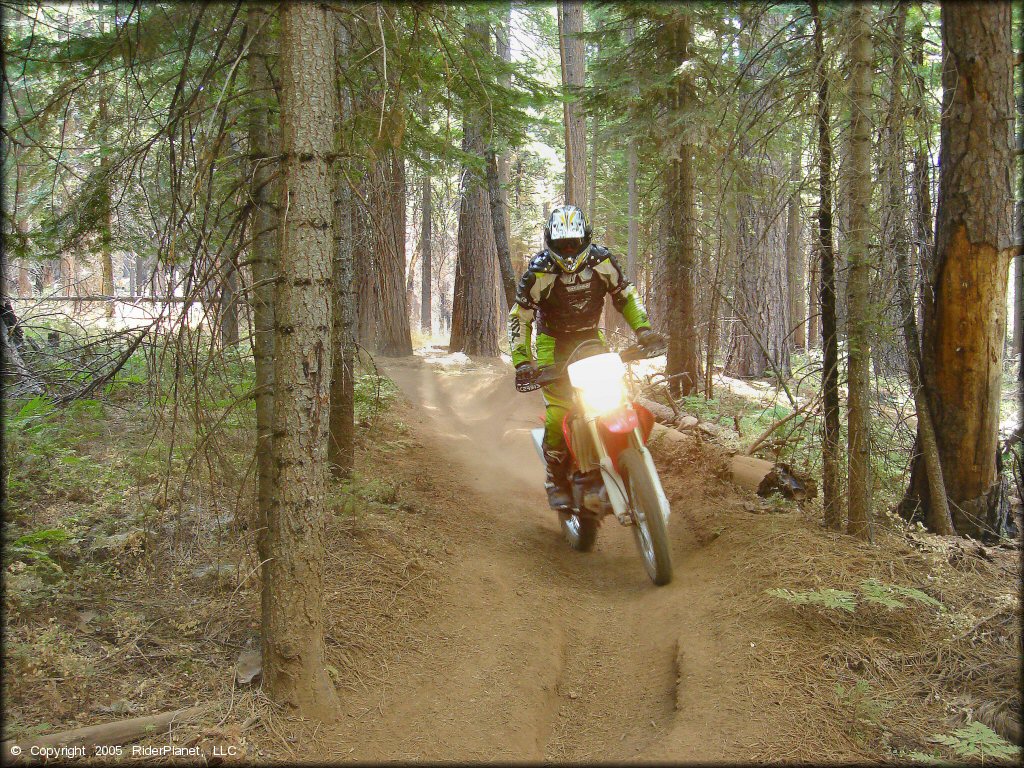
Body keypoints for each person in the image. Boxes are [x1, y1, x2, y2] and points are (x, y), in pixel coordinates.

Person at [508, 204, 661, 509]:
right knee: (559, 411)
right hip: (554, 343)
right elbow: (521, 317)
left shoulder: (602, 260)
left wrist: (644, 331)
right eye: (561, 244)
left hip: (591, 337)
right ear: (550, 242)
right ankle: (555, 478)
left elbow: (625, 294)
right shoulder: (539, 271)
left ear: (584, 239)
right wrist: (524, 363)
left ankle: (619, 457)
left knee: (614, 398)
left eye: (573, 243)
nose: (567, 250)